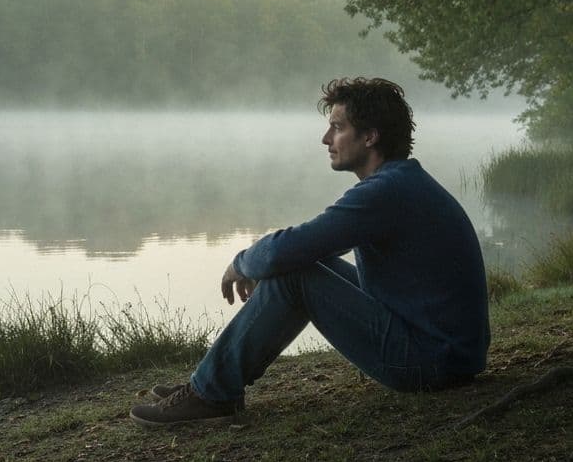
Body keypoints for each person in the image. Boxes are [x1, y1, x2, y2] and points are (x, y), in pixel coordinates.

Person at [130, 77, 490, 426]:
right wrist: (267, 263)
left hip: (432, 363)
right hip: (445, 353)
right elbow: (301, 248)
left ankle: (211, 393)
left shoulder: (386, 192)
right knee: (303, 262)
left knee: (296, 270)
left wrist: (241, 263)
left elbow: (287, 249)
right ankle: (213, 383)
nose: (325, 139)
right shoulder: (399, 182)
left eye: (337, 127)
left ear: (369, 137)